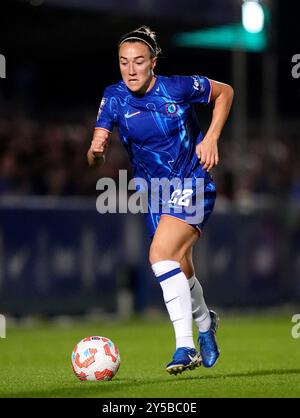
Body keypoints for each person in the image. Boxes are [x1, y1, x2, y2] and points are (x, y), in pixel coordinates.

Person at [87, 26, 234, 375]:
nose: (131, 70)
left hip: (193, 180)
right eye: (124, 63)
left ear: (153, 62)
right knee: (179, 266)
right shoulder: (114, 97)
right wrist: (96, 152)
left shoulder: (177, 87)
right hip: (154, 195)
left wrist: (211, 137)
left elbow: (225, 92)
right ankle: (205, 324)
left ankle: (185, 346)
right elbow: (95, 151)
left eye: (139, 62)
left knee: (159, 255)